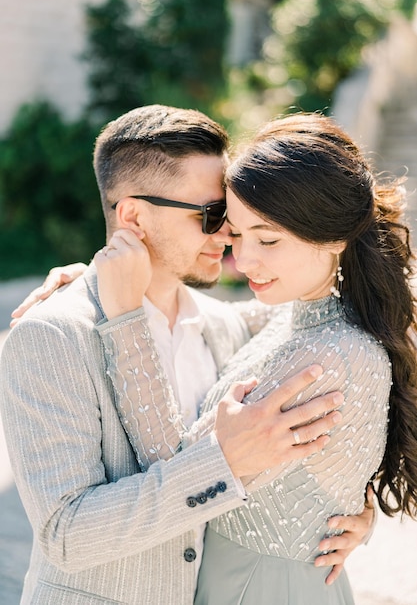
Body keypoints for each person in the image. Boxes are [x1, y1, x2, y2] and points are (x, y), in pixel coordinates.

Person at [0, 105, 369, 605]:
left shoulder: (226, 324)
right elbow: (67, 533)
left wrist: (354, 506)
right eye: (212, 215)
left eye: (232, 217)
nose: (228, 237)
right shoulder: (51, 335)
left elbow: (338, 324)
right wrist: (223, 462)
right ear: (133, 216)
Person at [84, 112, 417, 604]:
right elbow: (223, 319)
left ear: (331, 237)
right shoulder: (300, 316)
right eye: (236, 235)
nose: (245, 260)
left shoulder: (326, 358)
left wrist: (123, 318)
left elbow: (173, 466)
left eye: (269, 239)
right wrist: (85, 279)